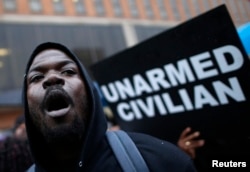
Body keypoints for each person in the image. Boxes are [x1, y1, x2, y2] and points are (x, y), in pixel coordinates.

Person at [23, 42, 197, 172]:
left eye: (68, 71)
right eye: (37, 77)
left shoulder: (164, 161)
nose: (52, 78)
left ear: (90, 91)